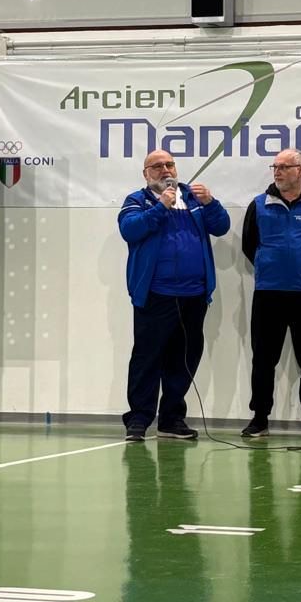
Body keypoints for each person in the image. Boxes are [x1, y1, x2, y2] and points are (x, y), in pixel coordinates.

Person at [118, 149, 231, 442]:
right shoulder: (137, 201)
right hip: (156, 294)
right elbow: (130, 230)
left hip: (194, 295)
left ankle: (171, 419)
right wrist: (161, 207)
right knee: (147, 358)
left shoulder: (193, 198)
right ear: (146, 174)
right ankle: (139, 419)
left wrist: (211, 203)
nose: (165, 170)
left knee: (183, 359)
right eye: (157, 166)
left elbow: (221, 226)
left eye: (169, 164)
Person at [239, 149, 301, 440]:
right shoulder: (259, 205)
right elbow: (249, 245)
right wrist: (269, 266)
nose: (278, 171)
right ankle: (260, 417)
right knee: (263, 358)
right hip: (268, 293)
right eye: (275, 166)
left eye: (285, 166)